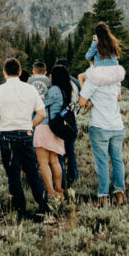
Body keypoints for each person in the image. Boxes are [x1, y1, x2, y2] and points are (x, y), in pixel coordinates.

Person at [0, 58, 50, 222]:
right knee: (32, 174)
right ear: (20, 72)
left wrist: (3, 117)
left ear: (4, 72)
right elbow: (42, 114)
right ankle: (44, 208)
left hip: (7, 136)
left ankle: (21, 212)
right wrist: (30, 125)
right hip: (26, 134)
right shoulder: (30, 89)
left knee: (13, 176)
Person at [79, 23, 127, 207]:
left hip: (99, 126)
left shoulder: (93, 78)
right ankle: (119, 193)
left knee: (102, 163)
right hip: (117, 126)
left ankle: (103, 196)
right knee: (117, 161)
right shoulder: (116, 79)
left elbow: (82, 102)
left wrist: (87, 93)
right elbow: (118, 97)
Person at [34, 66, 72, 199]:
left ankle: (50, 191)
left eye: (51, 75)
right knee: (54, 160)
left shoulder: (53, 90)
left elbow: (40, 104)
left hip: (44, 127)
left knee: (43, 162)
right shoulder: (64, 90)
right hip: (56, 129)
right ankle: (59, 190)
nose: (49, 77)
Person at [52, 60, 80, 188]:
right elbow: (77, 106)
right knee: (71, 152)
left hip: (59, 125)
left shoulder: (55, 88)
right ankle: (73, 177)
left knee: (59, 155)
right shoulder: (74, 85)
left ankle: (60, 182)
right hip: (72, 123)